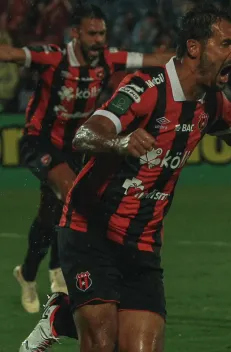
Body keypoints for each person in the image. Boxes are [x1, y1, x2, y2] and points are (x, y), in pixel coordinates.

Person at [18, 4, 231, 352]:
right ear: (195, 47)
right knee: (101, 343)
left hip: (142, 242)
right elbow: (85, 135)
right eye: (227, 44)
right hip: (91, 230)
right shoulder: (146, 88)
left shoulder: (212, 101)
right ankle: (62, 318)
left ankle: (61, 317)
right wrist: (122, 141)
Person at [0, 3, 172, 314]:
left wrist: (196, 59)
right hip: (40, 142)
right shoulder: (53, 57)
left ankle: (27, 274)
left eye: (102, 33)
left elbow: (155, 61)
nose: (99, 39)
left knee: (49, 214)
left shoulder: (109, 59)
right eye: (92, 34)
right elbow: (10, 54)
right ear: (75, 33)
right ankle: (60, 273)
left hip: (77, 148)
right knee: (73, 196)